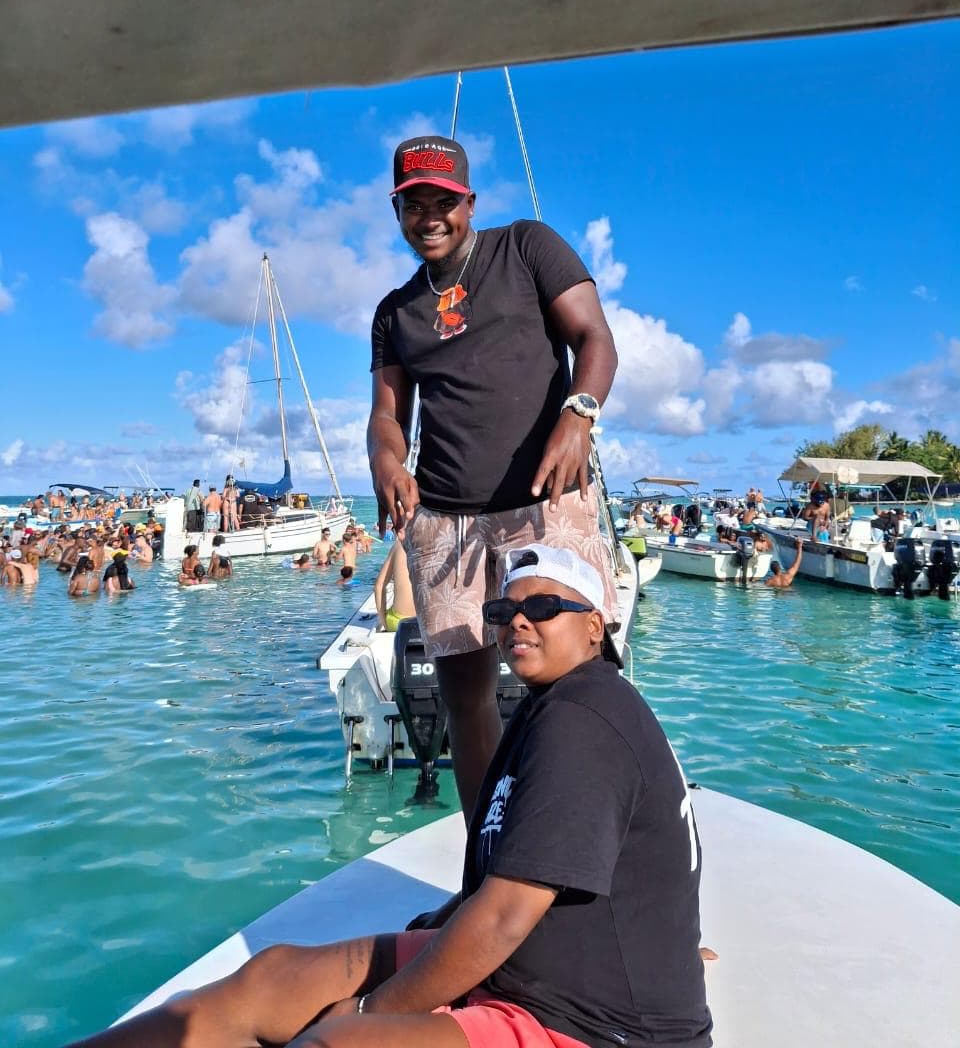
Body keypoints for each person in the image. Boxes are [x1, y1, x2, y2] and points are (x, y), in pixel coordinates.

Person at [62, 543, 713, 1048]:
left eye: (543, 607)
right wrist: (450, 916)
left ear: (596, 627)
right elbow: (541, 873)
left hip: (588, 1025)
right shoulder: (557, 709)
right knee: (272, 977)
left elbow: (508, 915)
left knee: (334, 1039)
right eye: (502, 611)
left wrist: (377, 1008)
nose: (518, 621)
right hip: (530, 971)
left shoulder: (585, 718)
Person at [368, 135, 619, 820]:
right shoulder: (394, 313)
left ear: (469, 202)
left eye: (443, 200)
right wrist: (387, 460)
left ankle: (592, 844)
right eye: (414, 202)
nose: (430, 215)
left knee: (579, 684)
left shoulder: (528, 247)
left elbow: (595, 340)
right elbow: (388, 414)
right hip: (444, 523)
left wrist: (580, 412)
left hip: (545, 506)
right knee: (465, 696)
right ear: (398, 211)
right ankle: (485, 861)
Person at [373, 530, 415, 632]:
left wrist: (384, 623)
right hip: (430, 622)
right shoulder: (440, 543)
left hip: (399, 622)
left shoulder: (400, 545)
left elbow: (379, 586)